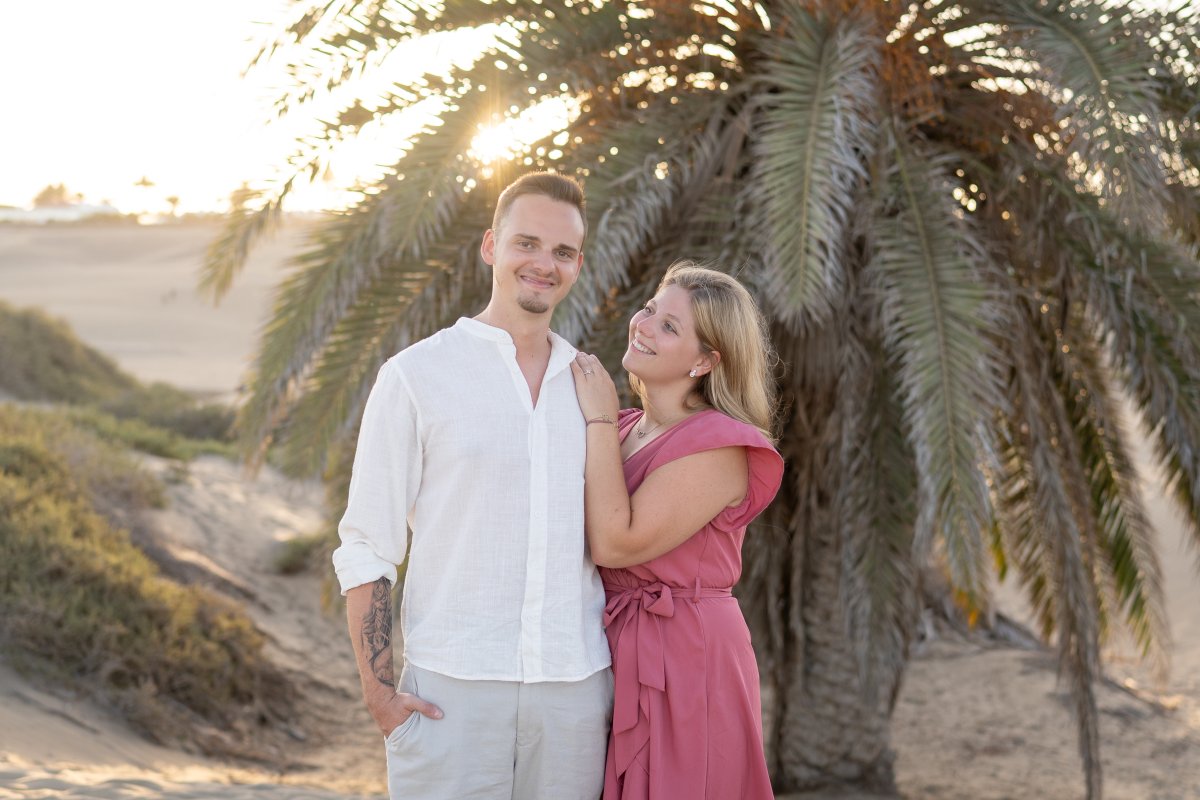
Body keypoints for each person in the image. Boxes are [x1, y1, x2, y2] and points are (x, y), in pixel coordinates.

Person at [333, 172, 613, 800]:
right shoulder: (416, 376)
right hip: (451, 693)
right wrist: (379, 695)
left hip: (574, 693)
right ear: (491, 245)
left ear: (578, 265)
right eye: (527, 243)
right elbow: (368, 545)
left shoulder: (592, 386)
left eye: (562, 252)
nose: (543, 264)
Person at [571, 262, 784, 800]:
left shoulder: (719, 444)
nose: (643, 325)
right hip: (610, 645)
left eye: (670, 327)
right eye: (649, 310)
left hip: (685, 655)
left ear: (706, 361)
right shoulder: (620, 428)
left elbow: (616, 543)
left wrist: (594, 419)